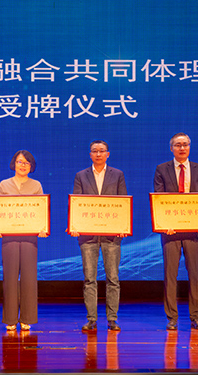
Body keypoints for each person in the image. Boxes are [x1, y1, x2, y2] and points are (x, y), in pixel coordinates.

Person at [153, 133, 198, 331]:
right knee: (170, 275)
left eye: (185, 144)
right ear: (172, 148)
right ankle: (172, 318)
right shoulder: (162, 169)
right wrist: (164, 223)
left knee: (195, 275)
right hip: (170, 231)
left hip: (194, 231)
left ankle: (196, 317)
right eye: (178, 145)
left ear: (189, 147)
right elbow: (159, 199)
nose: (182, 148)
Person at [71, 140, 127, 332]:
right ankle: (92, 319)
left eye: (102, 151)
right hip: (88, 236)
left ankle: (112, 319)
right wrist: (75, 225)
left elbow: (122, 202)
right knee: (89, 279)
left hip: (111, 235)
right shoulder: (81, 175)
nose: (98, 154)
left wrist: (123, 226)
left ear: (107, 154)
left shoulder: (117, 174)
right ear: (90, 154)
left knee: (113, 278)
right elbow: (77, 203)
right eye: (94, 151)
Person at [0, 150, 46, 332]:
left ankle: (26, 318)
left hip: (30, 238)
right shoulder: (4, 184)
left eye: (26, 163)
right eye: (19, 162)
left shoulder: (36, 185)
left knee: (29, 278)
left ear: (31, 166)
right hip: (9, 238)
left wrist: (42, 228)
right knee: (9, 277)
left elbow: (40, 211)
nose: (22, 165)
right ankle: (10, 319)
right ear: (13, 164)